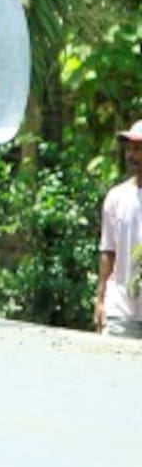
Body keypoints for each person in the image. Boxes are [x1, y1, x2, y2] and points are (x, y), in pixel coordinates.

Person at [94, 122, 142, 338]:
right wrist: (101, 300)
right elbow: (108, 251)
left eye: (138, 149)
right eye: (129, 149)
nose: (131, 156)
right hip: (121, 310)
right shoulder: (116, 197)